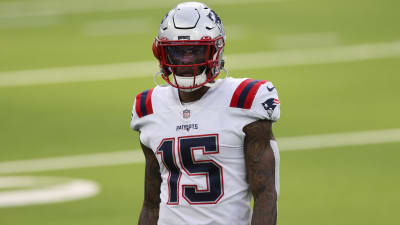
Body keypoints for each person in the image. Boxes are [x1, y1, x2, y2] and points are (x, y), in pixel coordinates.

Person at [131, 2, 281, 225]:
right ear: (162, 52)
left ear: (215, 49)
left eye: (196, 50)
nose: (186, 60)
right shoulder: (149, 107)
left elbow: (266, 195)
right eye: (177, 51)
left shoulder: (246, 100)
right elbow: (152, 204)